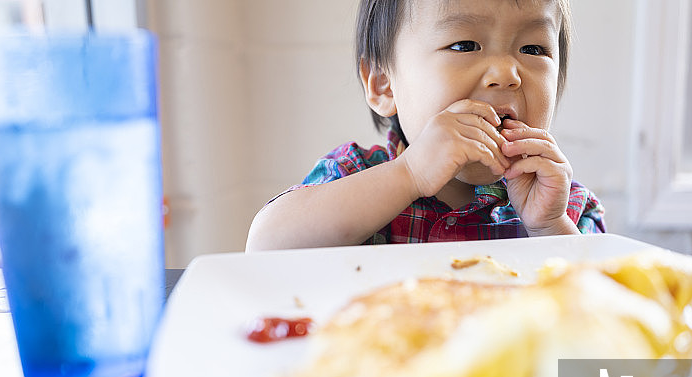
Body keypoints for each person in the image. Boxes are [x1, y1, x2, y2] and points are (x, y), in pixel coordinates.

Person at [246, 0, 605, 251]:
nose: (506, 73)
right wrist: (410, 174)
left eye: (533, 49)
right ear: (384, 84)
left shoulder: (563, 204)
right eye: (465, 45)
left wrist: (550, 228)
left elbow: (605, 316)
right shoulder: (355, 176)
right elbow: (265, 246)